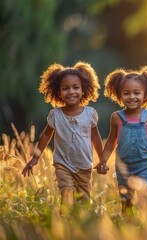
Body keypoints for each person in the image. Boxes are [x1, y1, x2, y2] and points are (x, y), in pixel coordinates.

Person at [22, 62, 103, 214]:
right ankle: (64, 222)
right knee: (66, 192)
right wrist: (35, 158)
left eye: (76, 87)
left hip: (84, 165)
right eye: (65, 88)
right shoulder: (56, 115)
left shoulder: (90, 113)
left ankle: (79, 227)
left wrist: (102, 159)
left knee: (84, 203)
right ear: (58, 92)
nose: (71, 91)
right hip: (63, 164)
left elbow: (96, 136)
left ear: (83, 89)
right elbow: (45, 135)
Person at [98, 66, 147, 215]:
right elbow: (111, 141)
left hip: (145, 166)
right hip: (123, 167)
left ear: (145, 94)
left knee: (144, 197)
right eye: (126, 93)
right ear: (119, 95)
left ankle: (145, 227)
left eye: (137, 93)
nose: (132, 97)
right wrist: (102, 161)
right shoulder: (116, 117)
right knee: (126, 202)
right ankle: (128, 229)